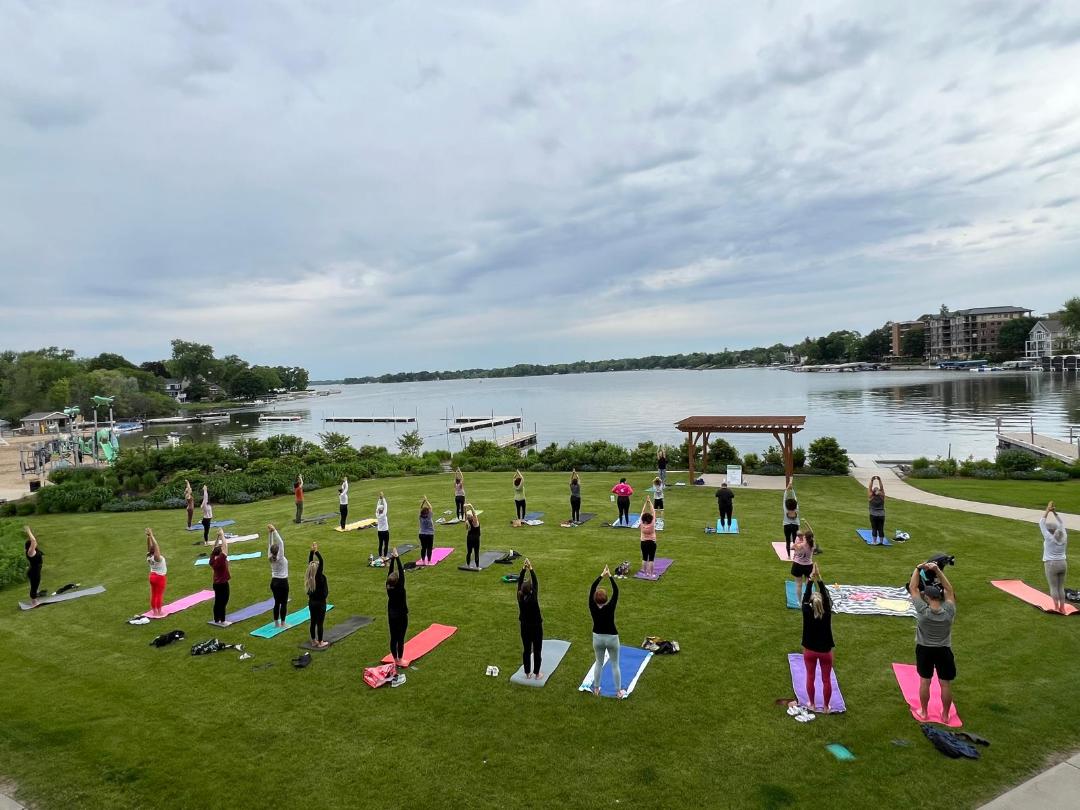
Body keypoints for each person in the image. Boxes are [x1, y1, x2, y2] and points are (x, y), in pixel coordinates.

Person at [907, 561, 957, 722]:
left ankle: (924, 712)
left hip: (925, 649)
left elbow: (913, 588)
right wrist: (937, 570)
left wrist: (918, 568)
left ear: (927, 597)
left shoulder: (923, 611)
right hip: (944, 650)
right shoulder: (949, 611)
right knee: (945, 684)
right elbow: (949, 590)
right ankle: (945, 715)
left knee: (925, 681)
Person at [801, 562, 834, 713]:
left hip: (809, 650)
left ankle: (812, 705)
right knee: (826, 679)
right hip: (825, 651)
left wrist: (810, 579)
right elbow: (826, 596)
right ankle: (826, 707)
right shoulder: (827, 613)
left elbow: (805, 598)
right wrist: (819, 578)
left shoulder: (807, 612)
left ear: (810, 604)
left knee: (810, 677)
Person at [589, 565, 624, 698]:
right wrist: (609, 576)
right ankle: (618, 691)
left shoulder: (592, 606)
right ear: (606, 599)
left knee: (599, 662)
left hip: (597, 638)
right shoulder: (610, 606)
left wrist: (601, 576)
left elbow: (592, 588)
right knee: (615, 664)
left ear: (595, 599)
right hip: (612, 638)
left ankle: (596, 689)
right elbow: (616, 591)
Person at [1040, 501, 1069, 614]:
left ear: (1049, 531)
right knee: (1061, 587)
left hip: (1051, 564)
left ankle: (1056, 608)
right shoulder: (1064, 535)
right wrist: (1054, 512)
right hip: (1063, 563)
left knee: (1053, 587)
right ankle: (1062, 607)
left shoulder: (1049, 537)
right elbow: (1061, 523)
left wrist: (1048, 510)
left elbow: (1041, 523)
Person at [517, 558, 544, 679]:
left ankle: (527, 673)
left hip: (524, 627)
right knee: (537, 651)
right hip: (536, 627)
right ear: (531, 590)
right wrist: (530, 568)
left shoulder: (520, 598)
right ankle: (537, 674)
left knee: (527, 650)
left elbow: (519, 584)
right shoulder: (533, 599)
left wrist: (523, 569)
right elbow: (536, 582)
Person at [386, 548, 408, 687]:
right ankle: (399, 659)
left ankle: (395, 658)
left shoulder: (388, 587)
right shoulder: (400, 588)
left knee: (393, 637)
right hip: (401, 616)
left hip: (392, 616)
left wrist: (394, 559)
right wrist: (397, 557)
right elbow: (402, 574)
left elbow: (391, 574)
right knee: (400, 639)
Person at [306, 543, 329, 648]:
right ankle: (320, 642)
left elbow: (310, 562)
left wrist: (312, 552)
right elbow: (322, 561)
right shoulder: (319, 577)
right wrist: (316, 551)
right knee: (320, 623)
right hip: (321, 603)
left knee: (313, 622)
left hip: (312, 603)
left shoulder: (311, 577)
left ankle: (313, 640)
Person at [267, 524, 289, 628]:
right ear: (279, 551)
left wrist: (270, 533)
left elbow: (270, 545)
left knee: (277, 603)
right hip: (282, 582)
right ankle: (283, 623)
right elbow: (281, 542)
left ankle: (276, 623)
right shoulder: (280, 557)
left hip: (274, 582)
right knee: (283, 603)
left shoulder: (270, 557)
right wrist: (274, 530)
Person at [209, 530, 231, 626]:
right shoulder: (221, 560)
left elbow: (214, 548)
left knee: (217, 601)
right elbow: (225, 547)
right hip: (223, 584)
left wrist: (217, 537)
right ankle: (222, 620)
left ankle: (216, 619)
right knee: (223, 602)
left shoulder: (213, 558)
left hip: (216, 584)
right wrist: (222, 535)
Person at [146, 528, 167, 618]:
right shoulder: (157, 558)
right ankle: (159, 612)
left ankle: (154, 611)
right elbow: (156, 545)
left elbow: (150, 546)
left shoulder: (149, 556)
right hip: (159, 577)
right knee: (159, 595)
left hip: (152, 576)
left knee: (154, 594)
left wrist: (149, 537)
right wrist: (152, 536)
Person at [790, 529, 815, 594]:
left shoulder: (800, 545)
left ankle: (800, 602)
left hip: (798, 565)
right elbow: (812, 535)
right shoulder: (812, 545)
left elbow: (792, 547)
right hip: (808, 566)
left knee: (798, 585)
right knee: (808, 585)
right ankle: (808, 600)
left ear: (805, 537)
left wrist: (798, 542)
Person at [639, 497, 658, 578]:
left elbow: (642, 512)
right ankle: (651, 574)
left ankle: (645, 573)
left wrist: (645, 503)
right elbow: (653, 511)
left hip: (643, 542)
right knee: (651, 559)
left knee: (644, 558)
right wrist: (649, 501)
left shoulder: (641, 523)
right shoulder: (652, 523)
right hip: (652, 543)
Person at [24, 527, 43, 604]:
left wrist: (30, 533)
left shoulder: (34, 550)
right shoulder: (30, 552)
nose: (35, 543)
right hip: (34, 572)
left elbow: (33, 540)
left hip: (34, 570)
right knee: (34, 586)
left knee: (36, 585)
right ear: (30, 546)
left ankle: (35, 597)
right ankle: (34, 602)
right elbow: (33, 540)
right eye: (33, 544)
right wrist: (28, 531)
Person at [782, 478, 800, 557]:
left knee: (788, 540)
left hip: (787, 526)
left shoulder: (786, 509)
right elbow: (795, 498)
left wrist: (787, 489)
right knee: (795, 541)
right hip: (795, 525)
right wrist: (792, 489)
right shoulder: (796, 509)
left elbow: (784, 498)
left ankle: (789, 556)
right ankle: (795, 556)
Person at [868, 475, 886, 545]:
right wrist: (879, 480)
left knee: (874, 528)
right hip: (881, 515)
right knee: (881, 528)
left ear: (873, 492)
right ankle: (881, 542)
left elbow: (869, 488)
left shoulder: (871, 497)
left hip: (873, 515)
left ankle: (874, 542)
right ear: (879, 491)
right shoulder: (882, 497)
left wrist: (872, 480)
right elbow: (882, 488)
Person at [464, 503, 481, 569]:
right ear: (472, 517)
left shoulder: (467, 522)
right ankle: (477, 566)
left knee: (469, 552)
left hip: (469, 538)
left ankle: (468, 565)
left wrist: (465, 508)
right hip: (476, 538)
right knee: (476, 552)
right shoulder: (475, 522)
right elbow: (474, 514)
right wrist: (470, 506)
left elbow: (465, 516)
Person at [418, 498, 435, 564]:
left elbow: (420, 508)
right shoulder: (429, 516)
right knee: (429, 548)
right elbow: (430, 507)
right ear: (427, 512)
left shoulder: (420, 516)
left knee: (423, 548)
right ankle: (429, 561)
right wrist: (426, 500)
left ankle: (423, 561)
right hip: (430, 534)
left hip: (422, 534)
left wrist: (423, 502)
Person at [376, 492, 390, 559]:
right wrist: (383, 498)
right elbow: (386, 505)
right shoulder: (384, 515)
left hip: (379, 531)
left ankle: (380, 555)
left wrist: (379, 499)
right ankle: (384, 556)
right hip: (385, 531)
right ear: (382, 510)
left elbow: (377, 506)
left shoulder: (377, 514)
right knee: (386, 544)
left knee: (380, 544)